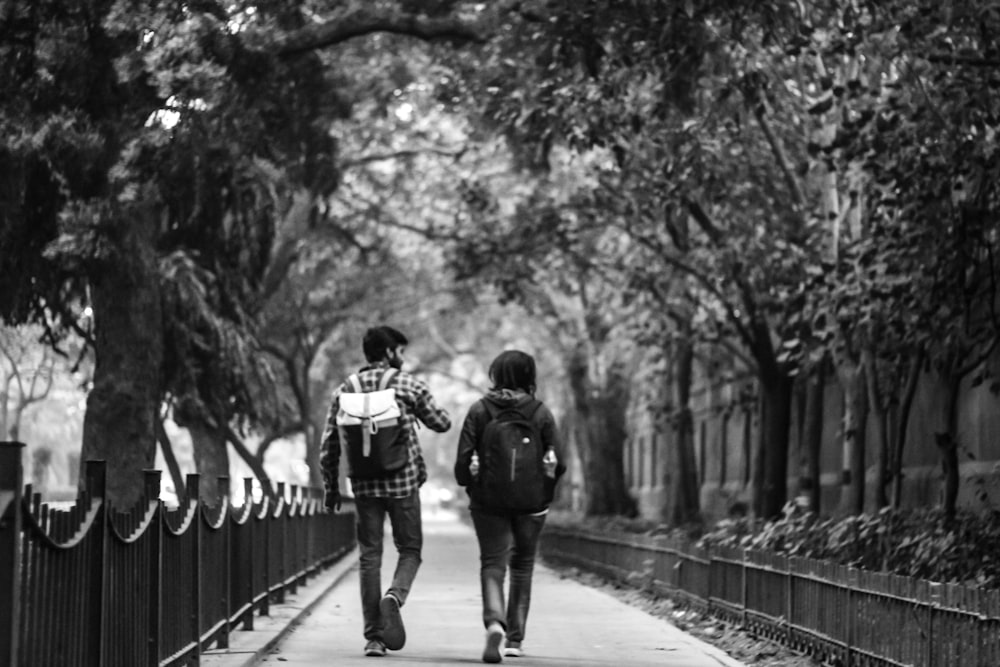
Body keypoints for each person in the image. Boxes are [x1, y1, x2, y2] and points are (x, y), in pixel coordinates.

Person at [320, 325, 452, 658]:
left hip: (364, 486)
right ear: (391, 352)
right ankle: (394, 597)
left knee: (369, 556)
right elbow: (441, 423)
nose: (403, 359)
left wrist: (330, 488)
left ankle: (374, 637)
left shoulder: (344, 389)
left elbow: (329, 445)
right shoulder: (406, 384)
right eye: (401, 352)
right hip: (403, 483)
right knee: (410, 549)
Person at [454, 350, 565, 663]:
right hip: (532, 503)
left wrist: (472, 483)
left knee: (492, 563)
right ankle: (514, 639)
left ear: (496, 376)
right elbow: (560, 463)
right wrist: (545, 491)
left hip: (488, 502)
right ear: (529, 377)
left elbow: (461, 466)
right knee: (522, 566)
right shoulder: (540, 412)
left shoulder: (480, 410)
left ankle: (494, 622)